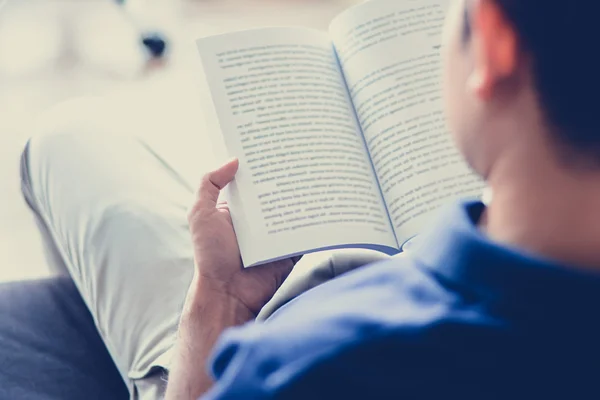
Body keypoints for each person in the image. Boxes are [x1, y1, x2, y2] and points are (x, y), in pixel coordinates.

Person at [20, 0, 600, 398]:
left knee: (69, 138)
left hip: (268, 320)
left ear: (496, 42)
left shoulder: (294, 368)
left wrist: (217, 297)